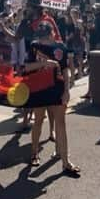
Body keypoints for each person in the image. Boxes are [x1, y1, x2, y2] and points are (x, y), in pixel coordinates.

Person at [26, 22, 81, 177]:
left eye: (45, 36)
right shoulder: (34, 46)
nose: (43, 40)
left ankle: (65, 161)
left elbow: (64, 70)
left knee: (61, 124)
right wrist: (43, 63)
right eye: (41, 37)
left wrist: (67, 90)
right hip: (39, 88)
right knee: (38, 120)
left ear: (52, 35)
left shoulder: (60, 48)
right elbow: (25, 67)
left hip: (57, 89)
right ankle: (34, 153)